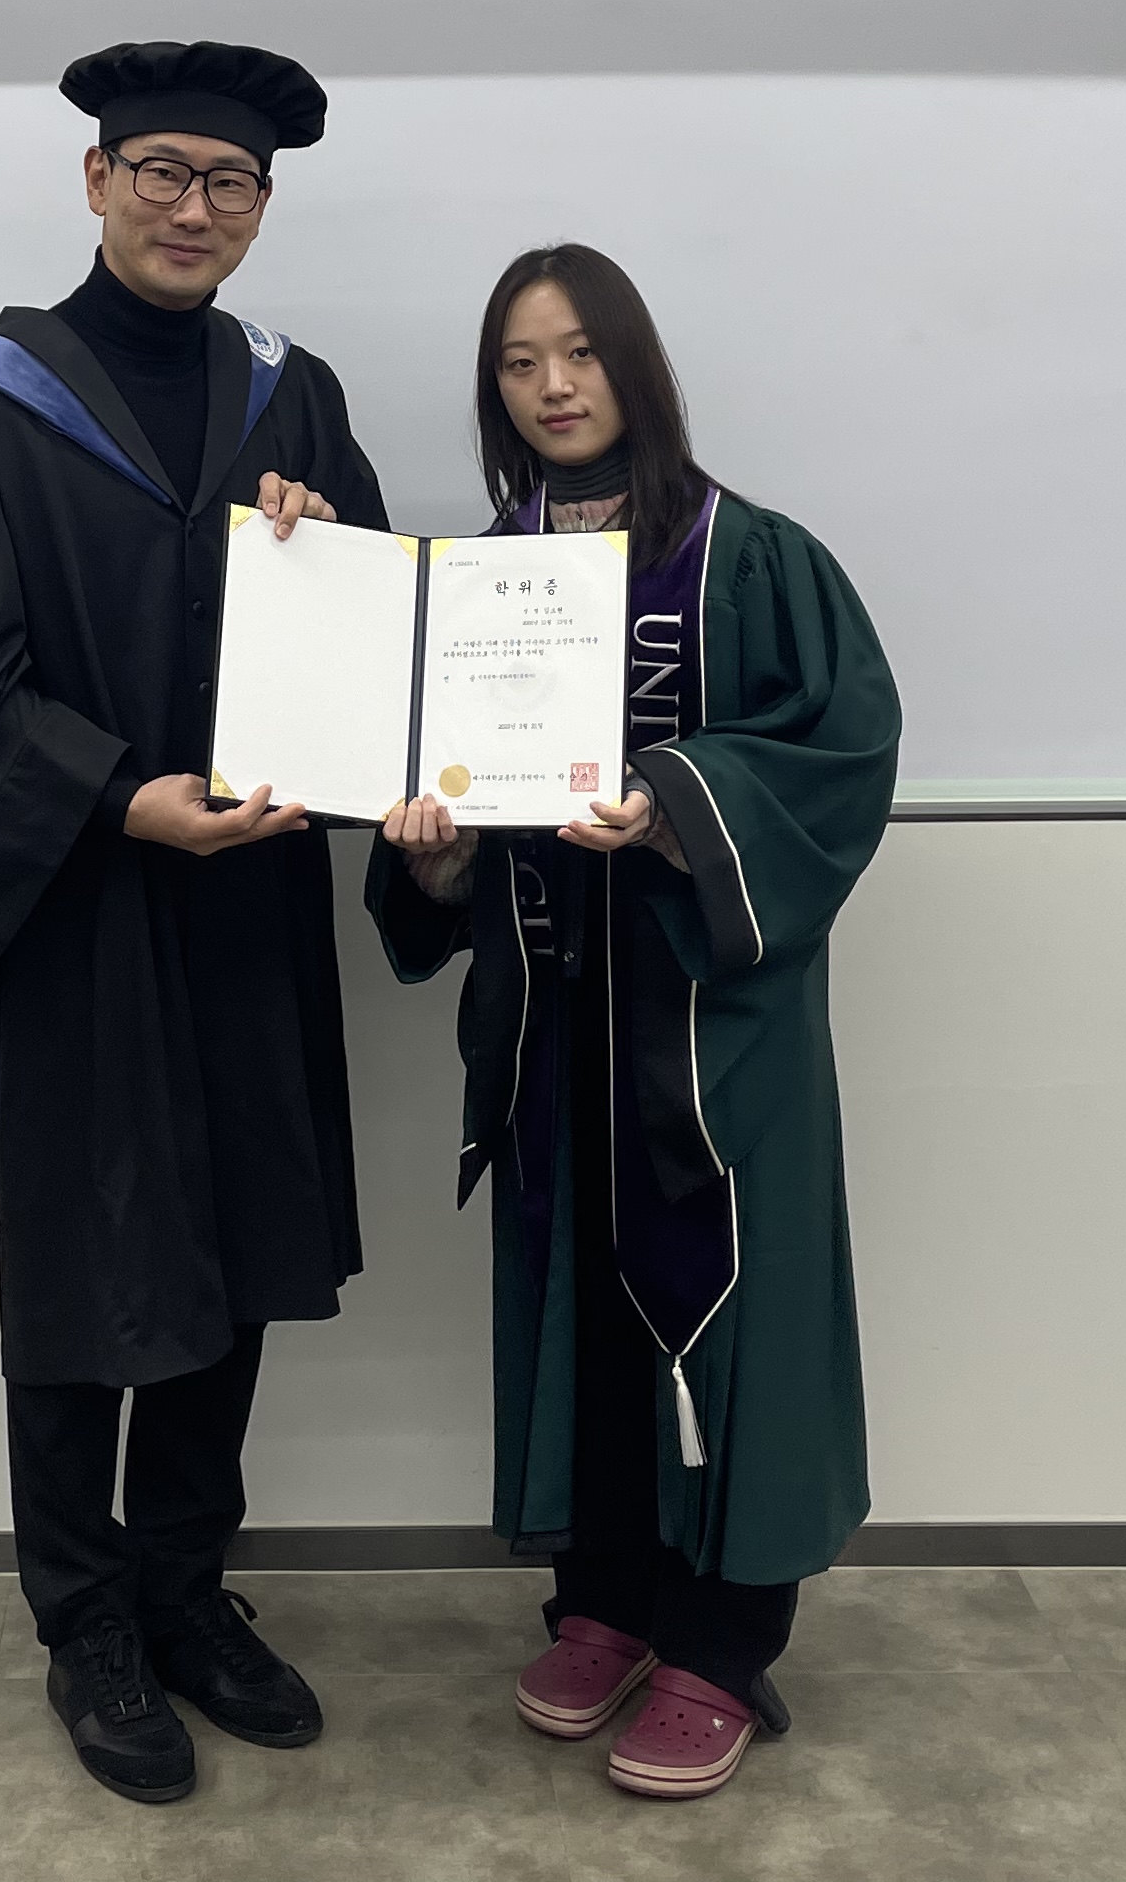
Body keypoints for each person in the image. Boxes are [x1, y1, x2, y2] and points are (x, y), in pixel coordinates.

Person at [0, 40, 391, 1808]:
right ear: (95, 182)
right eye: (160, 171)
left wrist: (327, 548)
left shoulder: (290, 399)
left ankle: (184, 1589)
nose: (192, 207)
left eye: (228, 182)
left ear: (261, 207)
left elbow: (379, 646)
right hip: (81, 910)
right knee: (88, 1269)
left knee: (231, 1249)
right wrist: (115, 798)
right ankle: (84, 1619)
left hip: (250, 907)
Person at [371, 242, 901, 1802]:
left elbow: (841, 753)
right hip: (554, 1026)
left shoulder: (757, 560)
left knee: (731, 1317)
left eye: (581, 353)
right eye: (519, 362)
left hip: (714, 1042)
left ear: (636, 365)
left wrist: (672, 805)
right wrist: (438, 856)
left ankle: (722, 1644)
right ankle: (602, 1597)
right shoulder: (474, 589)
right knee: (583, 1316)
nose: (553, 387)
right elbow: (440, 806)